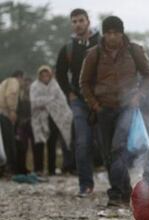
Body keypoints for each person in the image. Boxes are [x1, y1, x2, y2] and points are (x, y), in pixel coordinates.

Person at [80, 15, 149, 207]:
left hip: (126, 107)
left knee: (118, 148)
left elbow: (148, 75)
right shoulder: (94, 53)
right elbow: (84, 82)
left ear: (121, 33)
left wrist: (139, 96)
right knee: (108, 153)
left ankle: (115, 193)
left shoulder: (134, 51)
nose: (112, 37)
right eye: (108, 33)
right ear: (104, 34)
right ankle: (124, 191)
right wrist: (94, 104)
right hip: (103, 108)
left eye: (116, 33)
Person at [56, 8, 100, 196]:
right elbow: (60, 73)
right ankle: (86, 185)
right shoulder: (68, 48)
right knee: (82, 142)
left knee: (109, 142)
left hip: (102, 100)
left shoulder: (102, 43)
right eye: (74, 21)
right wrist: (69, 94)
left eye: (81, 20)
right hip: (79, 101)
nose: (78, 24)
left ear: (88, 21)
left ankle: (119, 187)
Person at [30, 66, 73, 176]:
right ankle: (38, 169)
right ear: (39, 76)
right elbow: (34, 102)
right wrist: (49, 100)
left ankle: (51, 170)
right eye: (42, 75)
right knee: (39, 144)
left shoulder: (55, 86)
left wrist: (46, 102)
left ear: (50, 75)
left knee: (52, 144)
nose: (45, 77)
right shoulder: (34, 86)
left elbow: (61, 101)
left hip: (54, 118)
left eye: (47, 75)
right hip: (39, 119)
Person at [0, 70, 25, 175]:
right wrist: (12, 110)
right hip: (4, 113)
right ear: (19, 77)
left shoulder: (4, 82)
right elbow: (11, 94)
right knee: (8, 142)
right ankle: (9, 168)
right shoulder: (14, 81)